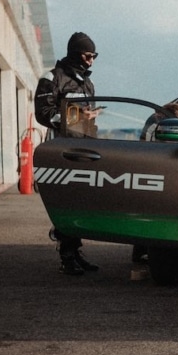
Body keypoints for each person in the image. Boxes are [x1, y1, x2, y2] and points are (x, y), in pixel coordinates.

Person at [33, 31, 101, 276]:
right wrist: (78, 117)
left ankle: (76, 252)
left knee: (83, 202)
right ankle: (67, 255)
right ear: (75, 53)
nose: (91, 61)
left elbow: (86, 119)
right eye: (87, 55)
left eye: (94, 56)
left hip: (87, 149)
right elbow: (43, 114)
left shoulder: (87, 81)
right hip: (64, 151)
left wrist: (91, 121)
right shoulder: (52, 77)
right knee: (68, 202)